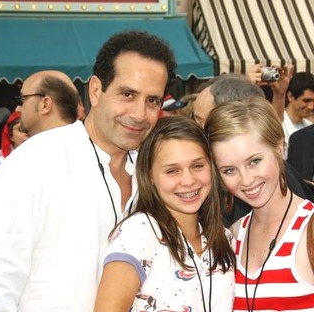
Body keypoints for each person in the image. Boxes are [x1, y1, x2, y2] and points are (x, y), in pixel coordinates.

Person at [0, 30, 176, 311]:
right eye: (127, 94)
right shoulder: (35, 163)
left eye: (152, 100)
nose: (140, 114)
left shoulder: (154, 176)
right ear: (95, 90)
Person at [94, 116, 236, 312]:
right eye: (172, 171)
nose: (188, 180)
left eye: (197, 166)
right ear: (149, 176)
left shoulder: (226, 240)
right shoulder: (139, 232)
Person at [204, 96, 314, 311]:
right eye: (229, 170)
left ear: (280, 147)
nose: (246, 180)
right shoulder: (232, 236)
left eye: (254, 161)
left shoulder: (309, 230)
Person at [17, 70, 80, 137]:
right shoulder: (85, 144)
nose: (17, 109)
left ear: (45, 105)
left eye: (22, 100)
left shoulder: (32, 147)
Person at [282, 72, 314, 157]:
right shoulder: (280, 124)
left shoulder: (310, 126)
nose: (311, 107)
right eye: (306, 101)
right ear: (290, 96)